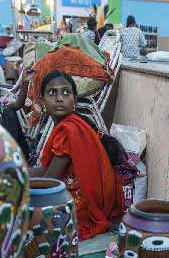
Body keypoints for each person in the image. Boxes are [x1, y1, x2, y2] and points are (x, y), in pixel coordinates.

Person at [31, 71, 124, 240]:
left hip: (86, 205)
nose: (59, 98)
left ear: (74, 99)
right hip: (92, 195)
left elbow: (49, 180)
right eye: (52, 93)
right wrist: (18, 172)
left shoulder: (69, 130)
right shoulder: (72, 124)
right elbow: (46, 169)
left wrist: (16, 183)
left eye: (66, 92)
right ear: (42, 100)